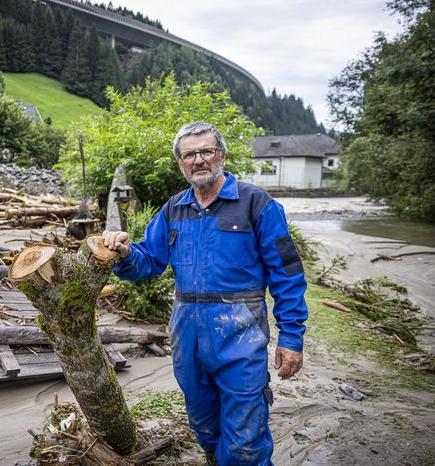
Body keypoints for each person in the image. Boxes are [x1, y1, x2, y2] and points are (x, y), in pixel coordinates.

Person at [103, 122, 308, 466]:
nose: (198, 160)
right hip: (187, 335)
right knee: (204, 424)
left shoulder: (256, 203)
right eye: (189, 154)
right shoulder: (173, 209)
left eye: (206, 151)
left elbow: (287, 274)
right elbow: (149, 262)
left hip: (241, 333)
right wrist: (124, 253)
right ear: (181, 163)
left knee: (245, 437)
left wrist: (292, 336)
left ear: (221, 156)